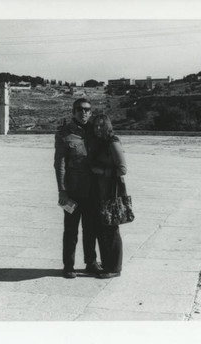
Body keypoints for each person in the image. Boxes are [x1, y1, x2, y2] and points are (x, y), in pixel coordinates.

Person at [54, 98, 104, 279]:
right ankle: (68, 265)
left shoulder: (95, 132)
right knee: (71, 231)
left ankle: (91, 262)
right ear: (73, 112)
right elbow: (59, 165)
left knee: (90, 229)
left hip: (92, 191)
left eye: (87, 109)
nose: (83, 112)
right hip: (73, 191)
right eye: (80, 109)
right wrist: (62, 190)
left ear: (91, 112)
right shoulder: (64, 134)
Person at [90, 114, 126, 279]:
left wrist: (103, 172)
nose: (98, 128)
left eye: (101, 125)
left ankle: (114, 268)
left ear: (108, 126)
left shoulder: (113, 142)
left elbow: (122, 169)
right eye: (95, 125)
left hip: (110, 192)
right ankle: (106, 264)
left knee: (111, 229)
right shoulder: (99, 143)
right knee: (102, 229)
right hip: (98, 191)